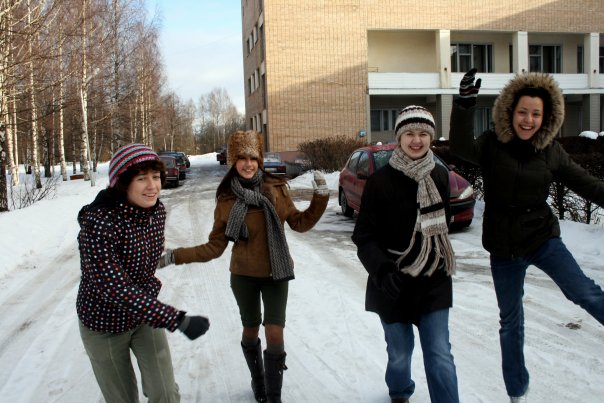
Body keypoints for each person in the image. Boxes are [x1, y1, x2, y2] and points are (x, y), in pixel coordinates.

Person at [450, 69, 604, 402]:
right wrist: (464, 105)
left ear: (546, 118)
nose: (528, 120)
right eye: (523, 112)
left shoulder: (551, 151)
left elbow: (588, 185)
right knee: (510, 321)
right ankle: (516, 391)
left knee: (583, 292)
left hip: (541, 238)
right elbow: (460, 147)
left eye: (536, 114)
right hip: (504, 248)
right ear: (510, 111)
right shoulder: (492, 144)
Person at [158, 130, 329, 403]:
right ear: (233, 161)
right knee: (250, 329)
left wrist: (320, 199)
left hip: (276, 273)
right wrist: (174, 256)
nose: (248, 164)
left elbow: (299, 223)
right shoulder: (227, 199)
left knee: (274, 332)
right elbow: (214, 247)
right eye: (242, 158)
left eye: (253, 158)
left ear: (259, 160)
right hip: (243, 276)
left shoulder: (276, 189)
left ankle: (273, 396)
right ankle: (258, 381)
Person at [77, 143, 210, 403]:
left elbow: (143, 258)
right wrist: (178, 320)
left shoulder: (156, 212)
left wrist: (173, 257)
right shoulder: (99, 223)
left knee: (165, 393)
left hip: (143, 316)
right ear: (122, 183)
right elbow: (115, 287)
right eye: (141, 178)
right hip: (103, 323)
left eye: (156, 177)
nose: (152, 186)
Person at [352, 106, 460, 403]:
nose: (417, 140)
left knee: (439, 353)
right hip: (393, 280)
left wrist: (432, 254)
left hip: (433, 278)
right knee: (400, 352)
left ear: (431, 137)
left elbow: (443, 226)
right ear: (399, 137)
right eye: (410, 133)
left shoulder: (439, 175)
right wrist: (382, 270)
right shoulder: (379, 182)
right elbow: (363, 236)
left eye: (423, 133)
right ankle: (400, 391)